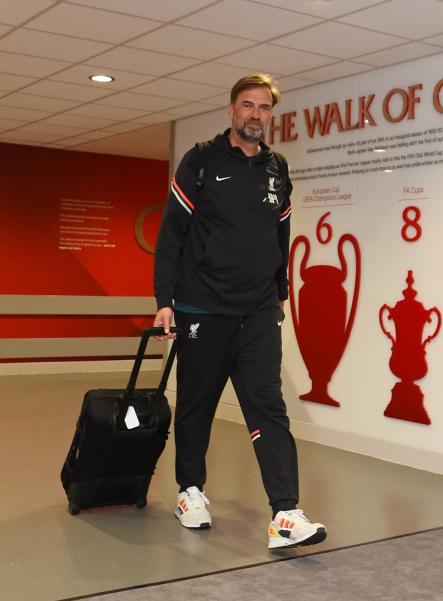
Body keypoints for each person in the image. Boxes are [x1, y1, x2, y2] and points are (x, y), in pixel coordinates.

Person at [152, 73, 326, 549]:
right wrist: (164, 301)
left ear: (271, 114)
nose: (256, 115)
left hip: (257, 309)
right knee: (196, 405)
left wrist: (280, 294)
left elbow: (280, 236)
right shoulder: (202, 161)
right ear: (231, 110)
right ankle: (190, 491)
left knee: (269, 407)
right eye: (247, 105)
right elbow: (171, 233)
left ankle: (285, 513)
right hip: (202, 307)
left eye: (264, 107)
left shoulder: (277, 168)